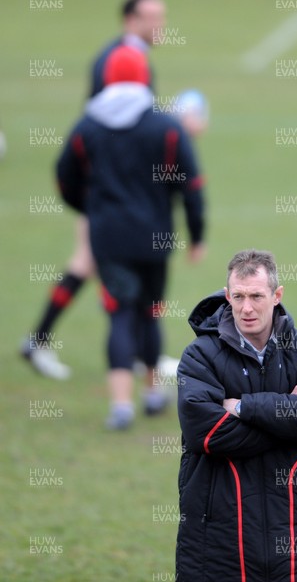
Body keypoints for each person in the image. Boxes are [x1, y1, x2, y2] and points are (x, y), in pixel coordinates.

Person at [20, 0, 197, 381]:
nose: (161, 25)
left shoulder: (128, 56)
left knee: (89, 265)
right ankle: (56, 343)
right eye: (153, 17)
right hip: (111, 194)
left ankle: (47, 341)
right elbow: (115, 128)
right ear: (131, 19)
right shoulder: (118, 60)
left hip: (109, 194)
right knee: (95, 266)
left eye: (163, 16)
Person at [56, 45, 206, 428]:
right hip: (154, 236)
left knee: (119, 313)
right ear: (145, 77)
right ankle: (152, 393)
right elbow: (191, 183)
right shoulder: (165, 126)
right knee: (151, 311)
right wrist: (196, 233)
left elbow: (64, 176)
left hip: (108, 236)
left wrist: (87, 206)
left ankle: (120, 406)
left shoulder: (88, 124)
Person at [176, 249, 297, 581]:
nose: (247, 308)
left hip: (294, 538)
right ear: (228, 296)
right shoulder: (199, 356)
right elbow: (207, 433)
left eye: (256, 296)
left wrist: (242, 407)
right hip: (217, 542)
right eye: (237, 297)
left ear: (277, 295)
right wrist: (289, 419)